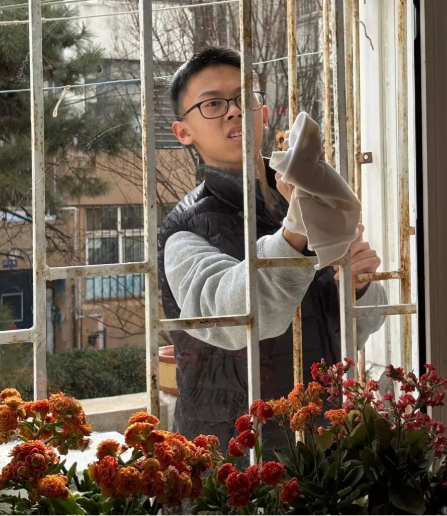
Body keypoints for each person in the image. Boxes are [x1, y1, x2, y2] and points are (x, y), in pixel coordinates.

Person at [158, 46, 386, 450]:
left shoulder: (297, 196)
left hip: (321, 441)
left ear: (262, 113)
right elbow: (235, 319)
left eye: (244, 98)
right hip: (233, 451)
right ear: (183, 132)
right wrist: (295, 233)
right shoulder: (184, 228)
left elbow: (349, 331)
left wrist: (358, 288)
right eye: (213, 104)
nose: (234, 111)